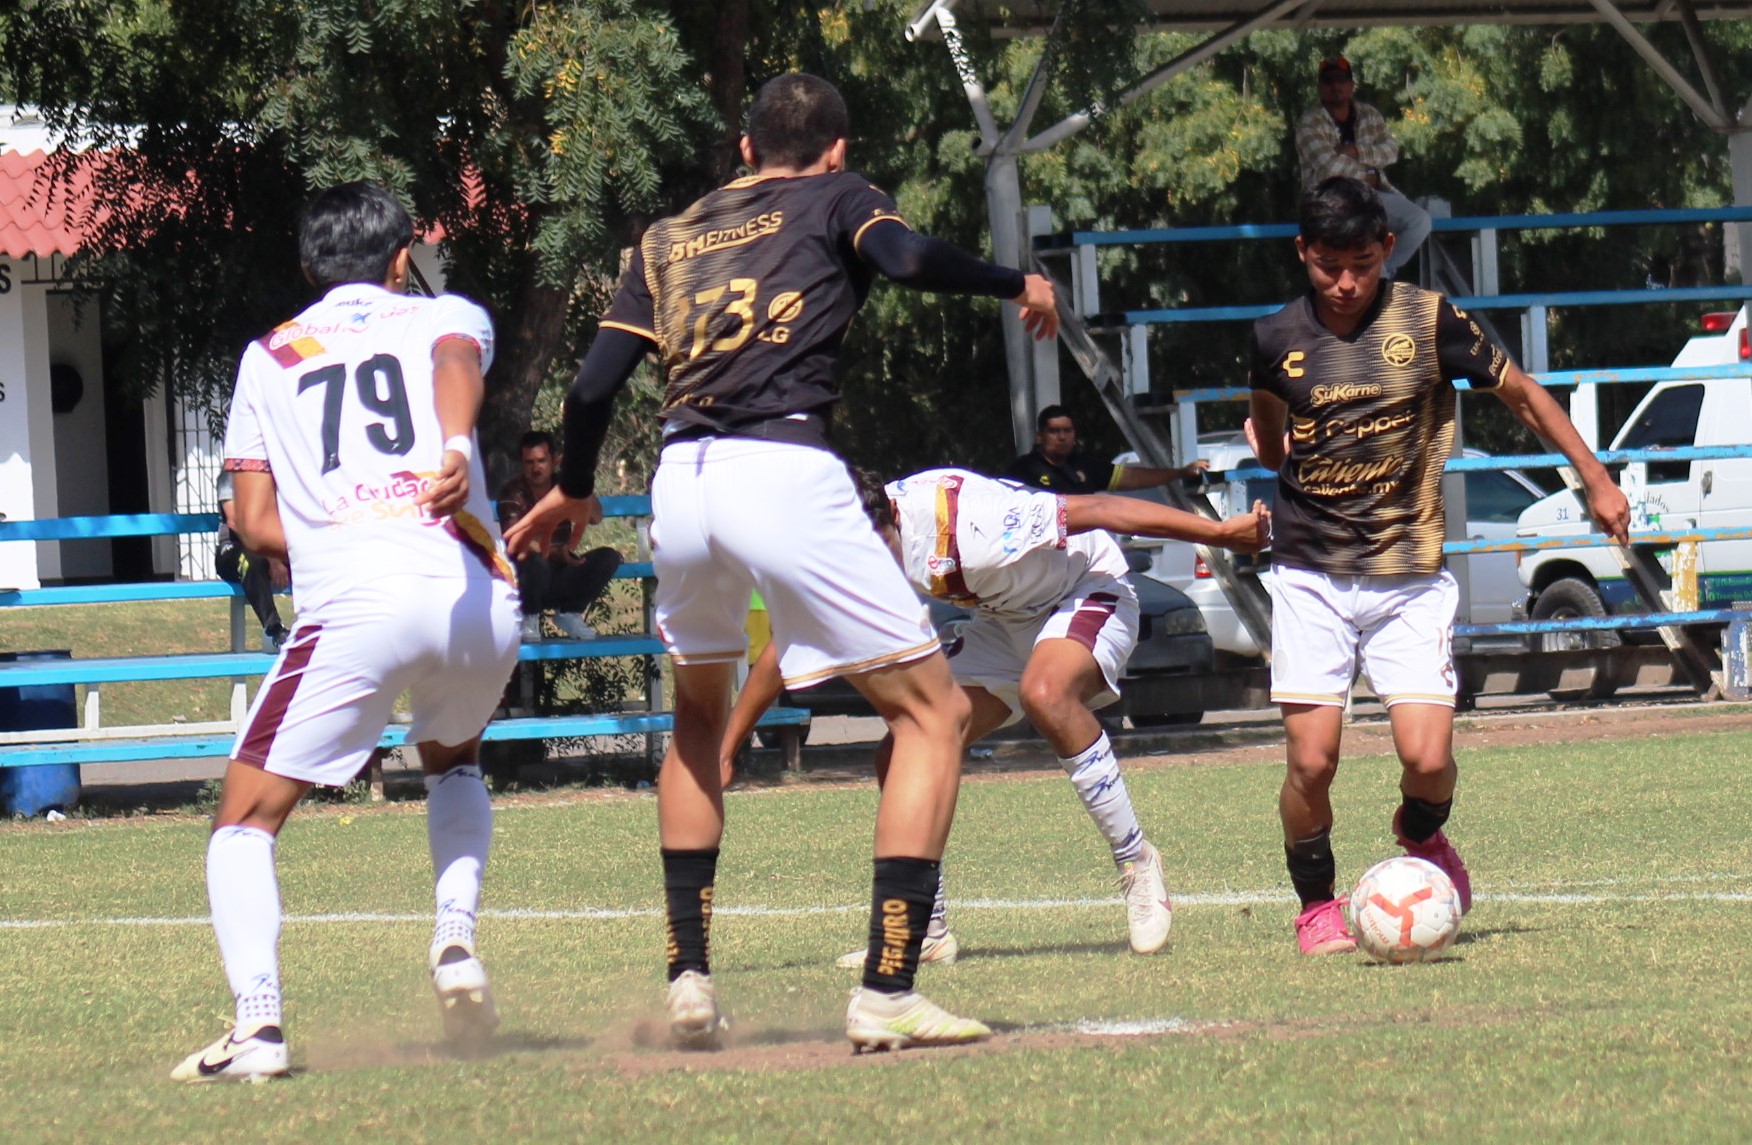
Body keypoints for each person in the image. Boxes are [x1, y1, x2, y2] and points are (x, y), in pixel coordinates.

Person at [504, 72, 1060, 1053]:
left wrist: (579, 481)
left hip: (683, 481)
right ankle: (890, 987)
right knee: (931, 714)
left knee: (697, 724)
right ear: (838, 148)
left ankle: (688, 978)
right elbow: (909, 256)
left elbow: (592, 387)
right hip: (785, 468)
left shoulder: (669, 235)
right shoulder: (840, 197)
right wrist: (1016, 279)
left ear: (749, 149)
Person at [172, 181, 521, 1081]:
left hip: (360, 600)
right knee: (455, 757)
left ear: (306, 265)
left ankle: (257, 1029)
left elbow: (252, 520)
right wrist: (451, 453)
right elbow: (453, 357)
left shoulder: (269, 355)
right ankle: (454, 941)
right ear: (402, 257)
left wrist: (337, 534)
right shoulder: (446, 313)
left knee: (243, 823)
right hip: (475, 592)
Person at [1244, 177, 1628, 956]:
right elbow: (1268, 429)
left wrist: (1594, 477)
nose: (1346, 282)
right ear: (1302, 255)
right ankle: (1317, 904)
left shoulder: (1429, 321)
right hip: (1311, 574)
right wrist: (1276, 461)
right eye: (1327, 267)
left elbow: (1521, 395)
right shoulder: (1273, 335)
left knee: (1428, 758)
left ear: (1387, 248)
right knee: (1312, 761)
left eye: (1360, 262)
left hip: (1408, 575)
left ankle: (1421, 832)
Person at [720, 467, 1268, 963]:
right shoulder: (842, 543)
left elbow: (1101, 508)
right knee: (902, 753)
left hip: (1084, 592)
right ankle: (924, 927)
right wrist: (725, 752)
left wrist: (1221, 535)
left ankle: (1137, 861)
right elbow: (783, 643)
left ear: (891, 518)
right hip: (1003, 622)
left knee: (1046, 694)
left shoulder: (967, 524)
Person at [1295, 55, 1432, 281]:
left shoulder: (1369, 114)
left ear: (1351, 84)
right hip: (1329, 201)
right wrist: (1368, 173)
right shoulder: (1309, 122)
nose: (1336, 86)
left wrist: (1356, 151)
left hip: (1372, 194)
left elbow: (1391, 151)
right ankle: (1377, 279)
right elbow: (1330, 169)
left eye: (1341, 79)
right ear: (1320, 87)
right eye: (1329, 81)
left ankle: (1379, 270)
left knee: (1419, 220)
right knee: (1361, 233)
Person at [496, 430, 622, 641]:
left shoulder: (564, 487)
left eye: (542, 461)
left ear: (553, 461)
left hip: (560, 573)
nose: (536, 468)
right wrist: (557, 551)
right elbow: (515, 542)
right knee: (534, 563)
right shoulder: (512, 493)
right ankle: (529, 618)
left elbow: (596, 516)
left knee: (608, 557)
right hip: (527, 580)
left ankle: (569, 614)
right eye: (529, 462)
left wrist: (576, 478)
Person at [1006, 404, 1208, 493]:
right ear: (1039, 436)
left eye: (1067, 431)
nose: (1061, 437)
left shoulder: (1085, 465)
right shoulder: (1023, 470)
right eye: (1054, 431)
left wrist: (1179, 473)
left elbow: (1133, 478)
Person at [214, 470, 291, 652]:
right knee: (251, 560)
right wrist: (273, 560)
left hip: (268, 547)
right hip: (233, 548)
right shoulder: (229, 478)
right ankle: (275, 629)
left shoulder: (279, 475)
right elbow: (235, 522)